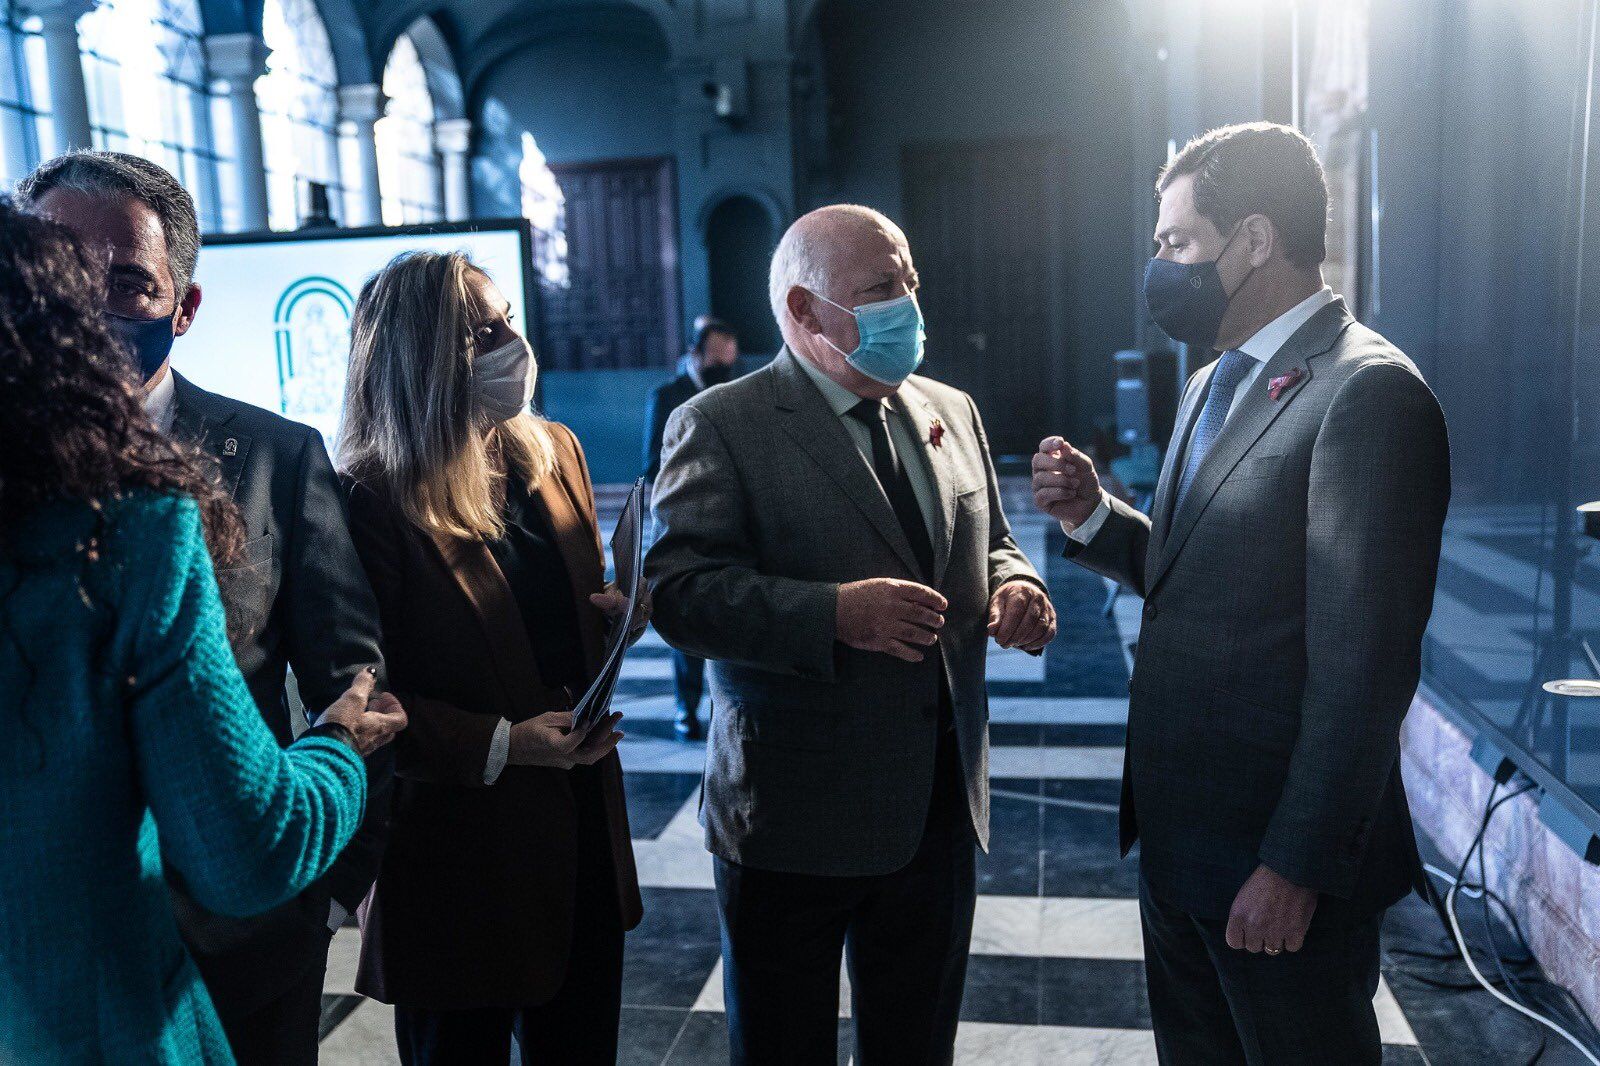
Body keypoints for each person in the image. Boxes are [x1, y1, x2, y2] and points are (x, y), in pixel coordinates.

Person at [1032, 122, 1450, 1065]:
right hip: (1185, 844)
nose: (1162, 267)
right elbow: (1198, 575)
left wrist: (1295, 864)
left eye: (1177, 244)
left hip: (1274, 861)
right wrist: (1099, 517)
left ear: (1254, 240)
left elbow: (1365, 671)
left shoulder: (1367, 396)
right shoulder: (1214, 382)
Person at [0, 196, 407, 1064]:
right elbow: (261, 826)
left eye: (125, 284)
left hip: (248, 946)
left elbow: (352, 665)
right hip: (111, 999)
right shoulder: (139, 532)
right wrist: (336, 746)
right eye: (71, 284)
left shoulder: (276, 454)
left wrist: (329, 900)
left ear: (183, 305)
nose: (97, 315)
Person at [647, 204, 1057, 1065]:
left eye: (909, 280)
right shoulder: (724, 424)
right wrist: (833, 614)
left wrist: (1017, 585)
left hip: (938, 806)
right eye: (880, 289)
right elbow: (679, 595)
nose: (907, 302)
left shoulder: (952, 408)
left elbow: (998, 541)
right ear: (805, 311)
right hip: (793, 815)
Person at [337, 251, 645, 1065]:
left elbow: (563, 620)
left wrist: (622, 618)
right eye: (483, 333)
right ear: (421, 357)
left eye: (508, 317)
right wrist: (507, 743)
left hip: (579, 836)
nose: (514, 341)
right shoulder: (371, 499)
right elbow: (361, 704)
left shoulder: (553, 451)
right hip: (456, 867)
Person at [642, 315, 741, 740]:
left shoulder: (734, 394)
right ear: (695, 354)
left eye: (729, 360)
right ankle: (686, 705)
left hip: (730, 521)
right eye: (716, 358)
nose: (723, 366)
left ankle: (725, 702)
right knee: (684, 614)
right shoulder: (667, 395)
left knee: (725, 613)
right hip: (681, 519)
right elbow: (650, 463)